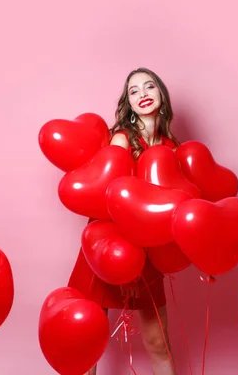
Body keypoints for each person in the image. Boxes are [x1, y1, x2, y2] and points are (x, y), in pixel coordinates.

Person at [67, 67, 180, 375]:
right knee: (88, 340)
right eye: (134, 91)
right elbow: (110, 199)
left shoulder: (172, 149)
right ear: (128, 103)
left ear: (161, 95)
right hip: (107, 243)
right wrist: (121, 263)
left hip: (149, 252)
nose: (143, 94)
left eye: (149, 87)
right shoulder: (121, 140)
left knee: (159, 342)